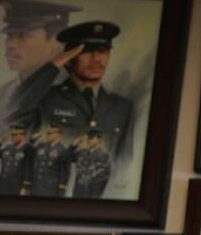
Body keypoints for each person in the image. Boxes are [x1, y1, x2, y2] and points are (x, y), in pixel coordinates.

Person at [12, 21, 134, 169]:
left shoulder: (122, 107)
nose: (96, 58)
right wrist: (54, 65)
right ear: (68, 59)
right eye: (87, 51)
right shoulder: (45, 98)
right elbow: (13, 111)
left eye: (103, 50)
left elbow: (125, 163)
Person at [0, 0, 78, 156]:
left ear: (57, 41)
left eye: (24, 35)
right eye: (9, 35)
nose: (11, 44)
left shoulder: (79, 98)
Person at [26, 125, 74, 198]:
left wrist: (61, 190)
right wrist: (32, 140)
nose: (47, 135)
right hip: (36, 186)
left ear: (58, 134)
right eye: (47, 133)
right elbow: (29, 153)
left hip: (50, 188)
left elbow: (64, 171)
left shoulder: (63, 150)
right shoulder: (41, 145)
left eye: (50, 133)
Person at [0, 123, 33, 195]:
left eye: (15, 135)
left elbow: (28, 169)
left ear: (22, 136)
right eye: (12, 135)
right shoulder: (8, 147)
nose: (12, 137)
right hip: (3, 185)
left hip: (17, 187)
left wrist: (25, 188)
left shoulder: (28, 149)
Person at [71, 128, 112, 198]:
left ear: (99, 140)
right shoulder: (82, 152)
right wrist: (73, 146)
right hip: (77, 191)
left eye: (92, 138)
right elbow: (67, 158)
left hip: (91, 193)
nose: (89, 140)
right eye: (88, 138)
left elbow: (102, 178)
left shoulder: (104, 155)